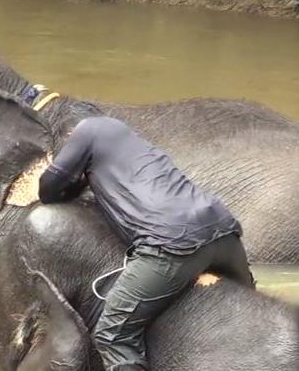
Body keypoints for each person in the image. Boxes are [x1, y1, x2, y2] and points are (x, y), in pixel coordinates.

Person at [38, 116, 254, 371]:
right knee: (255, 313)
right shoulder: (132, 145)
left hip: (172, 244)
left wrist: (75, 178)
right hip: (224, 231)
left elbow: (48, 189)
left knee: (112, 335)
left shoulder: (89, 129)